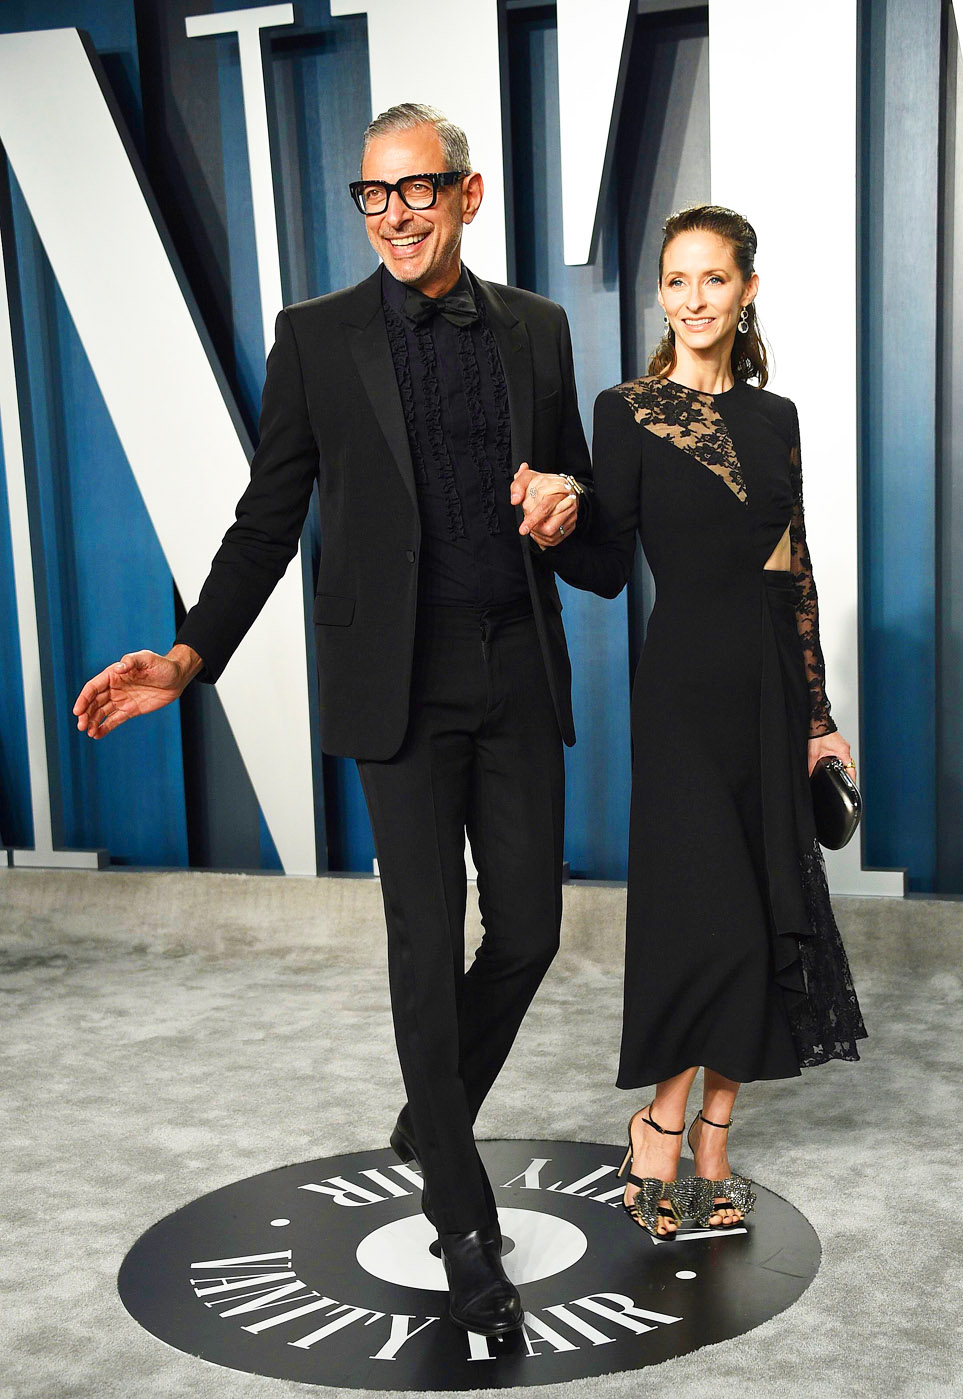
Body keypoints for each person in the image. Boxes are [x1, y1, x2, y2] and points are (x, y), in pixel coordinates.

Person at [72, 103, 592, 1331]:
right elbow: (269, 516)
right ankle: (462, 1222)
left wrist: (568, 507)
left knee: (528, 929)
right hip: (394, 686)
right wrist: (190, 653)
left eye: (417, 191)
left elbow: (580, 512)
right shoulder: (314, 339)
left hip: (514, 668)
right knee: (424, 941)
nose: (394, 214)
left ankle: (432, 1100)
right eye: (373, 195)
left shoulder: (539, 329)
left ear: (467, 197)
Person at [553, 205, 866, 1238]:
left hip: (767, 690)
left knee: (769, 904)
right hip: (681, 693)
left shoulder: (775, 420)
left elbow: (796, 569)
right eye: (676, 281)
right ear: (661, 296)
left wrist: (818, 716)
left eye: (713, 280)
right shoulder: (629, 410)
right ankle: (657, 1128)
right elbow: (604, 568)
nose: (692, 299)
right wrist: (555, 526)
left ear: (746, 292)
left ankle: (715, 1146)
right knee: (710, 918)